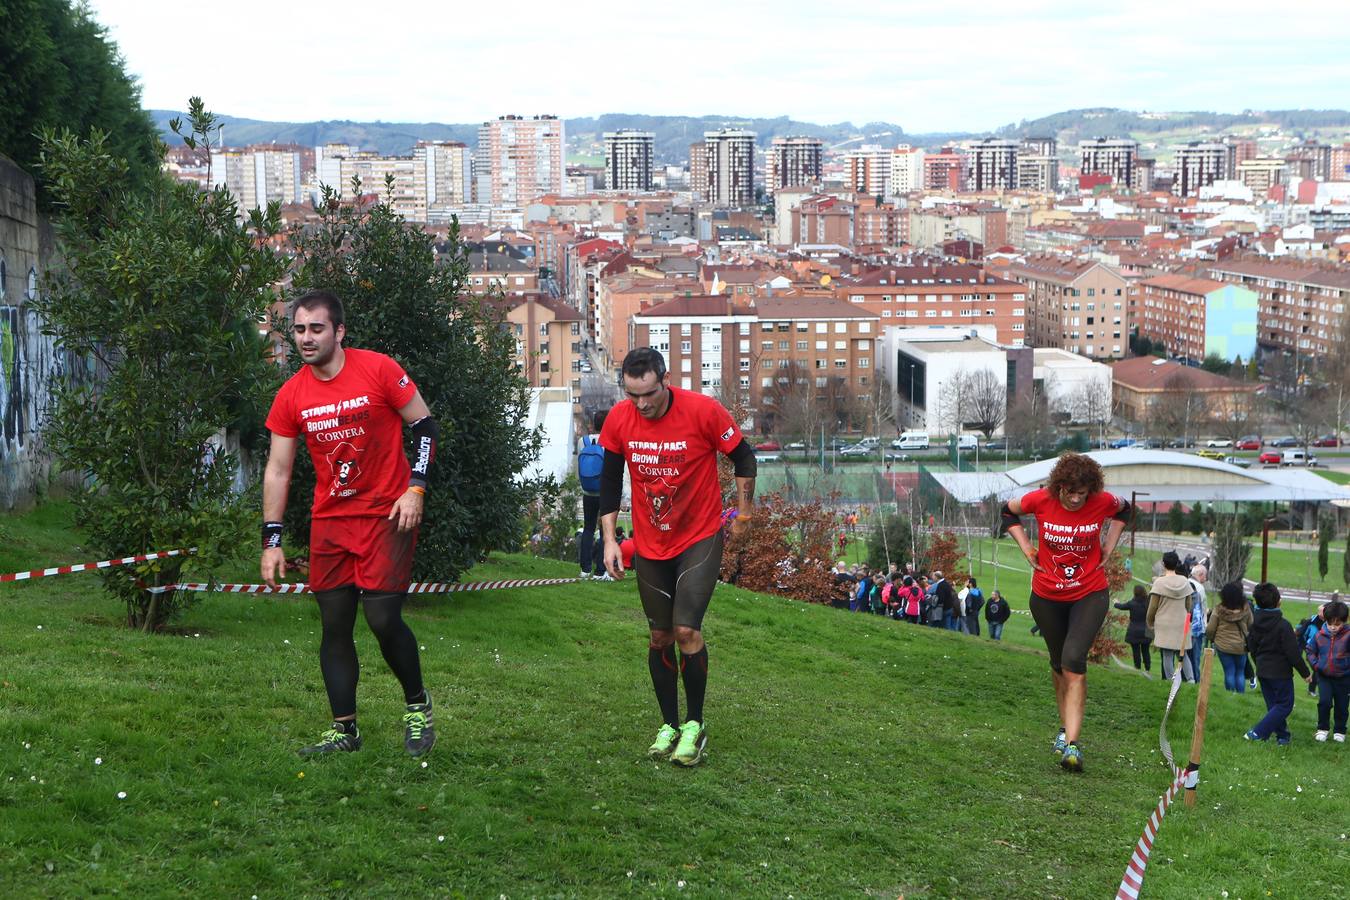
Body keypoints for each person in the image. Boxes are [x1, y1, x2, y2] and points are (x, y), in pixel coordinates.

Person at [261, 290, 439, 758]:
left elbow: (423, 427)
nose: (306, 338)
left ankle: (418, 706)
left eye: (316, 328)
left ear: (339, 331)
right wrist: (272, 539)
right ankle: (345, 730)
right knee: (334, 624)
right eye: (298, 329)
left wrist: (415, 488)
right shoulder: (292, 394)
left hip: (387, 513)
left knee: (382, 618)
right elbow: (278, 469)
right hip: (332, 522)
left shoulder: (379, 369)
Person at [598, 348, 756, 767]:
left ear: (664, 380)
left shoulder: (703, 411)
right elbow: (611, 481)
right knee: (659, 637)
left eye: (648, 394)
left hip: (699, 537)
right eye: (633, 396)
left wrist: (744, 512)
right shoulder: (619, 420)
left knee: (686, 630)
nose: (642, 404)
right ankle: (668, 724)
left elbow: (744, 456)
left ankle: (695, 724)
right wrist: (610, 540)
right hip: (651, 544)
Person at [1001, 452, 1130, 772]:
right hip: (1045, 596)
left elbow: (1127, 510)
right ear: (1058, 487)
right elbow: (1007, 512)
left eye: (1081, 494)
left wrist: (1109, 546)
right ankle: (1063, 731)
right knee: (1058, 662)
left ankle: (1073, 745)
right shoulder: (1040, 499)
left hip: (1089, 592)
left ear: (1090, 491)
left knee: (1074, 657)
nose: (1074, 499)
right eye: (1068, 492)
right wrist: (1026, 547)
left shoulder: (1102, 501)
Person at [1244, 582, 1312, 744]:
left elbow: (1251, 648)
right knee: (1285, 705)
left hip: (1262, 670)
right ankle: (1257, 732)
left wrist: (1258, 664)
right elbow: (1293, 653)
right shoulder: (1284, 626)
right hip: (1280, 673)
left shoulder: (1253, 625)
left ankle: (1282, 736)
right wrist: (1306, 673)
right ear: (1278, 602)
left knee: (1274, 705)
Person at [1148, 551, 1196, 684]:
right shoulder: (1185, 582)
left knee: (1167, 655)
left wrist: (1150, 622)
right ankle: (1191, 680)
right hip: (1181, 622)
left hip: (1164, 623)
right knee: (1183, 653)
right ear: (1177, 564)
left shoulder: (1159, 583)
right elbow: (1189, 605)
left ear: (1163, 564)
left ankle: (1170, 681)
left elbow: (1153, 607)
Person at [1307, 599, 1349, 742]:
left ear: (1345, 620)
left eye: (1337, 624)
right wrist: (1316, 665)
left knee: (1342, 705)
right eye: (1330, 623)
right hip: (1324, 676)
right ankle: (1322, 729)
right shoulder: (1319, 635)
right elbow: (1310, 651)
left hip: (1344, 678)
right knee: (1324, 702)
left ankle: (1340, 731)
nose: (1333, 627)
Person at [576, 409, 611, 581]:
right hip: (605, 492)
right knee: (606, 531)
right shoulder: (610, 443)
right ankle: (600, 571)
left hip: (587, 491)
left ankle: (584, 569)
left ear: (594, 424)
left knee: (588, 528)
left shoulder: (582, 442)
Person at [1206, 582, 1254, 693]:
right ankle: (1240, 695)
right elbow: (1252, 625)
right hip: (1241, 646)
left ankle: (1230, 695)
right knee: (1240, 672)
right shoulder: (1246, 609)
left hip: (1223, 645)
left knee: (1229, 671)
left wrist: (1211, 639)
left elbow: (1210, 629)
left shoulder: (1218, 610)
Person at [1115, 584, 1153, 673]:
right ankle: (1147, 668)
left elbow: (1121, 606)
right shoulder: (1148, 603)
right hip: (1146, 630)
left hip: (1134, 631)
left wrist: (1116, 602)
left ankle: (1137, 667)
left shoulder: (1132, 603)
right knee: (1146, 650)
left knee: (1136, 651)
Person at [1185, 564, 1209, 682]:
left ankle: (1185, 677)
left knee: (1185, 655)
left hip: (1185, 625)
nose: (1206, 578)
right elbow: (1203, 609)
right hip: (1196, 627)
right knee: (1195, 657)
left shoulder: (1185, 583)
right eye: (1205, 576)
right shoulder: (1200, 588)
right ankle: (1195, 678)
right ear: (1200, 575)